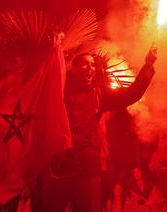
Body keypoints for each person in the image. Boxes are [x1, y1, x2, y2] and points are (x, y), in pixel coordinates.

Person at [41, 47, 157, 212]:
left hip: (88, 166)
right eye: (85, 64)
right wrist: (53, 49)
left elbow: (132, 94)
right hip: (61, 164)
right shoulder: (61, 91)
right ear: (74, 69)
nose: (90, 68)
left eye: (93, 65)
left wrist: (148, 65)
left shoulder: (100, 94)